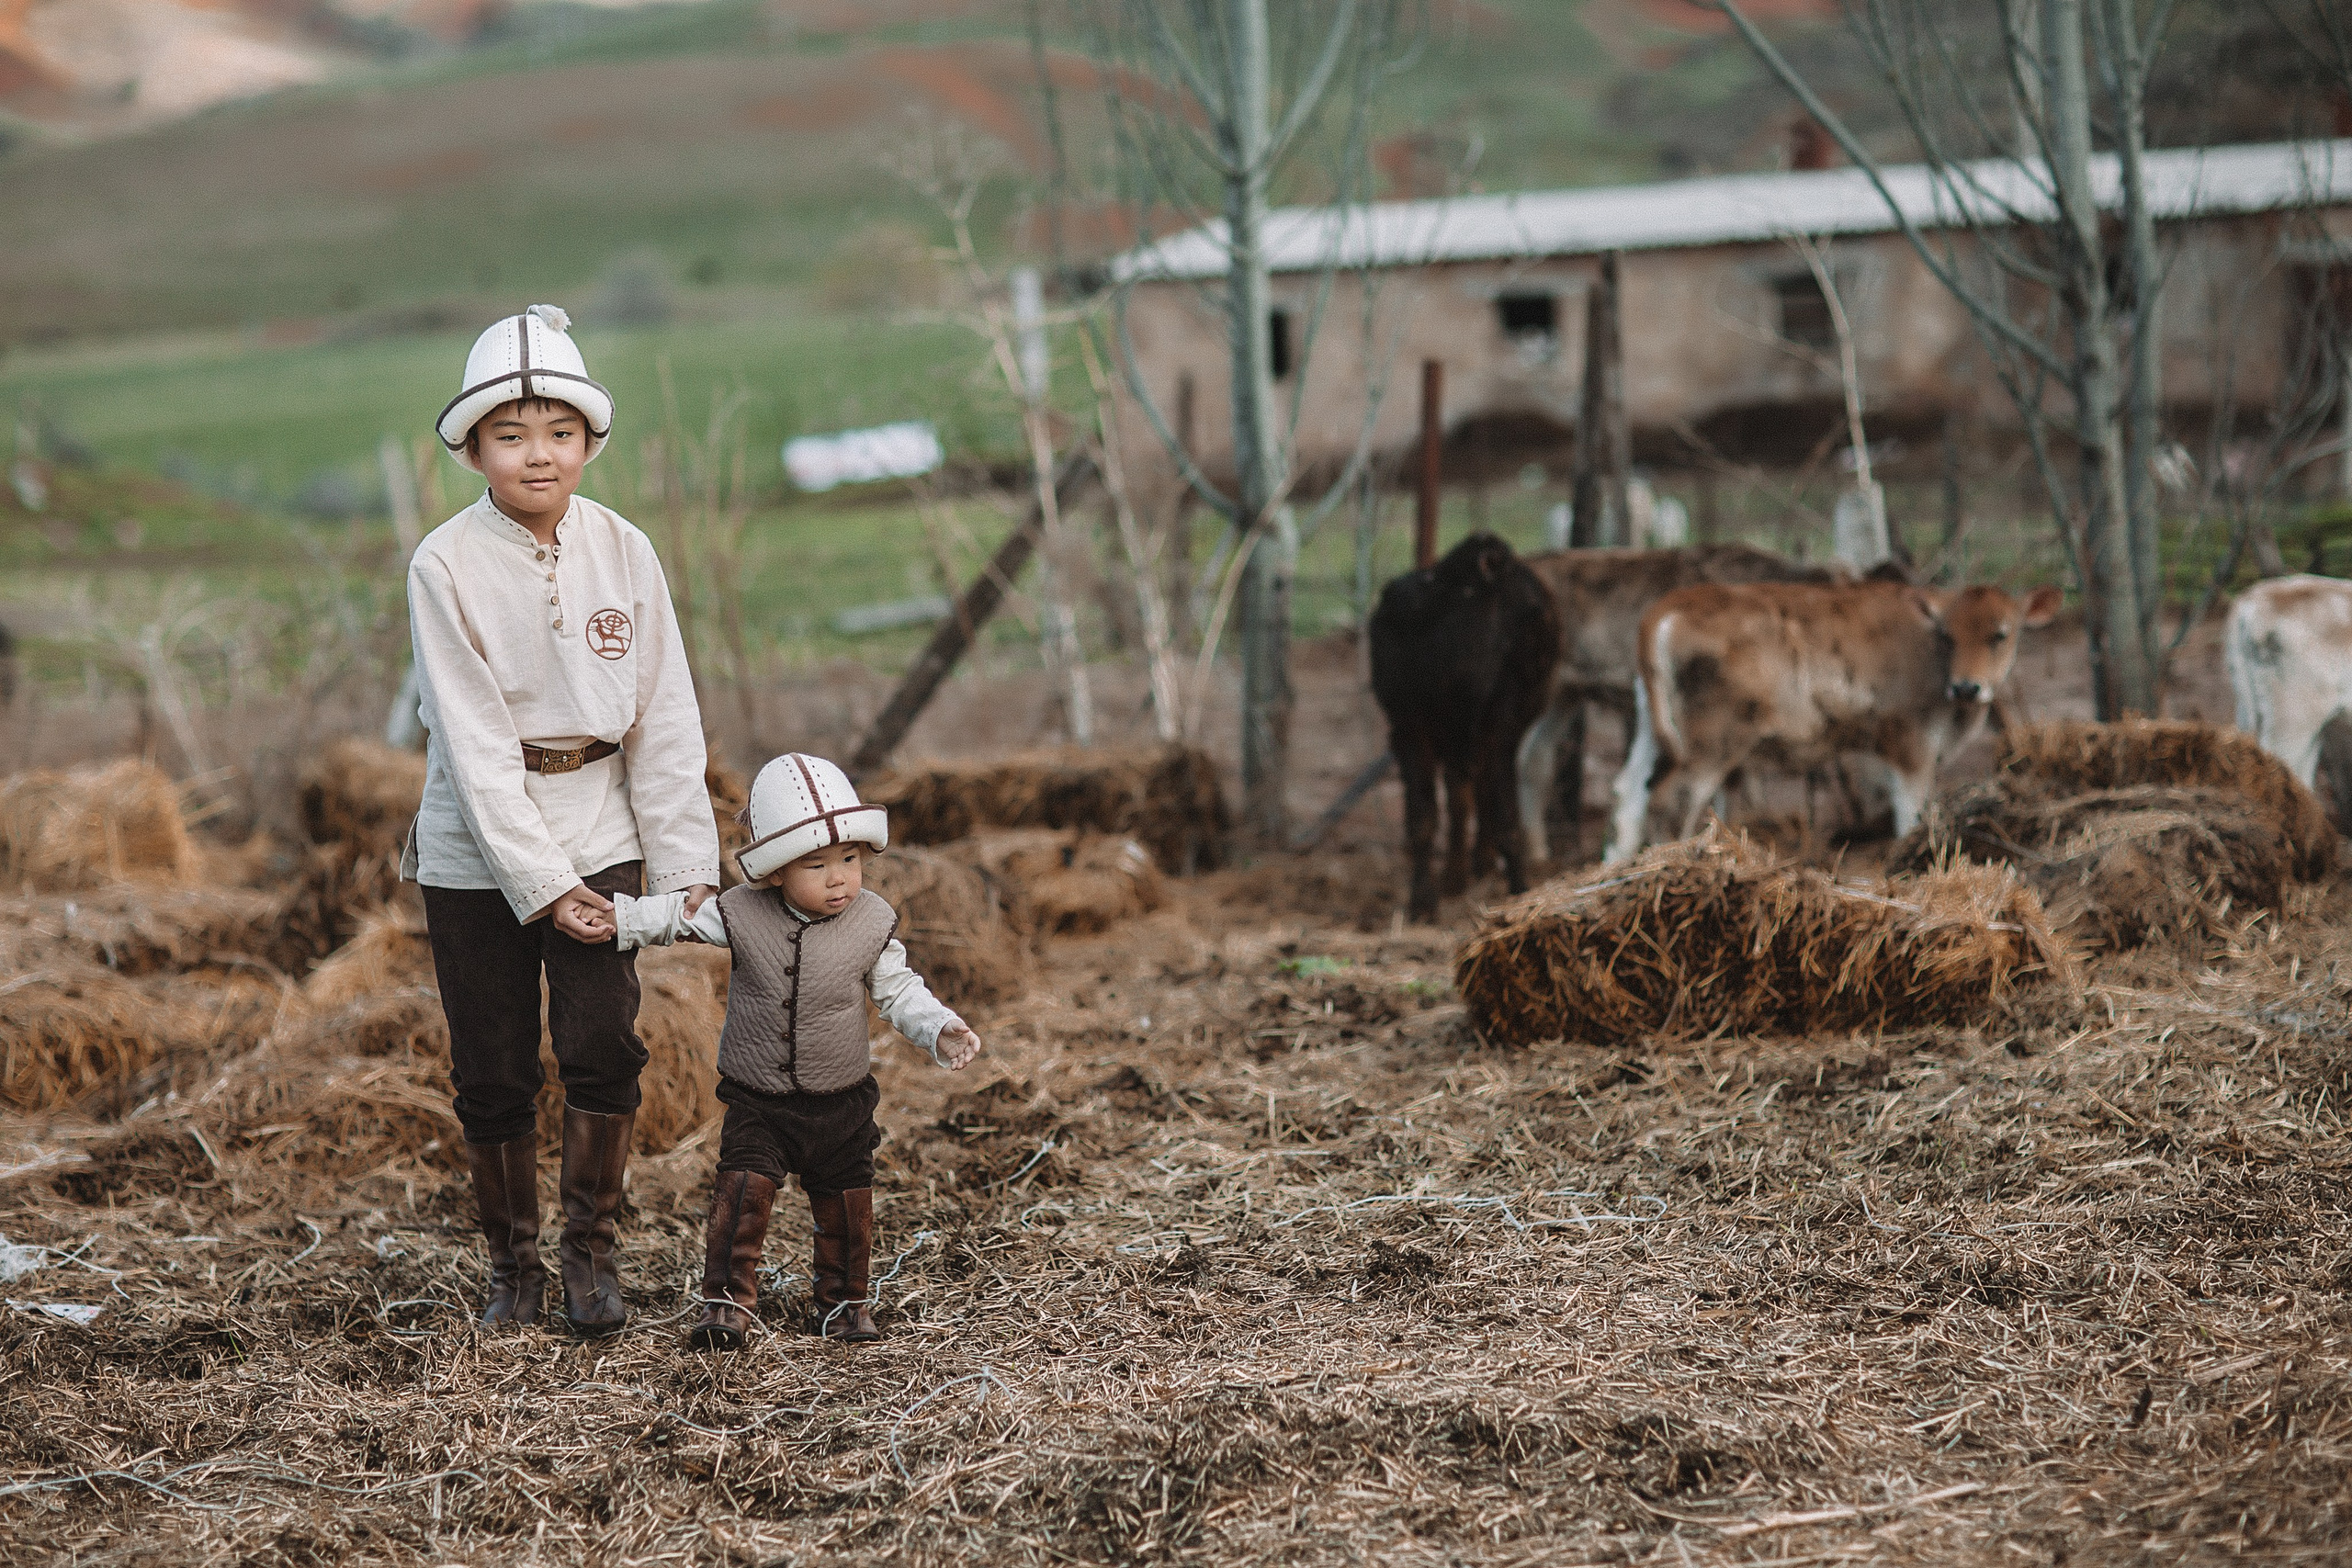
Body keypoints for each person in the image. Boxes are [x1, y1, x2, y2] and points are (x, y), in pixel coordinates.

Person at [401, 304, 719, 1335]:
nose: (538, 455)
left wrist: (682, 867)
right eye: (511, 435)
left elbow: (664, 716)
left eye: (559, 434)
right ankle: (516, 1270)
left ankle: (591, 1255)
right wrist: (546, 890)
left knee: (601, 1046)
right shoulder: (445, 565)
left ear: (587, 442)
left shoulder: (625, 550)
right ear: (474, 448)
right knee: (491, 1067)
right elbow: (474, 747)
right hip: (476, 847)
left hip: (604, 825)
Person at [605, 752, 982, 1348]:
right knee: (741, 1197)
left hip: (842, 1101)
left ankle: (844, 1305)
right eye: (817, 864)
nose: (839, 878)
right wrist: (619, 918)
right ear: (776, 869)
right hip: (759, 1098)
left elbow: (899, 990)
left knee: (846, 1206)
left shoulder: (871, 922)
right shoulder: (740, 913)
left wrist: (938, 1028)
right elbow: (679, 918)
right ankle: (726, 1304)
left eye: (850, 859)